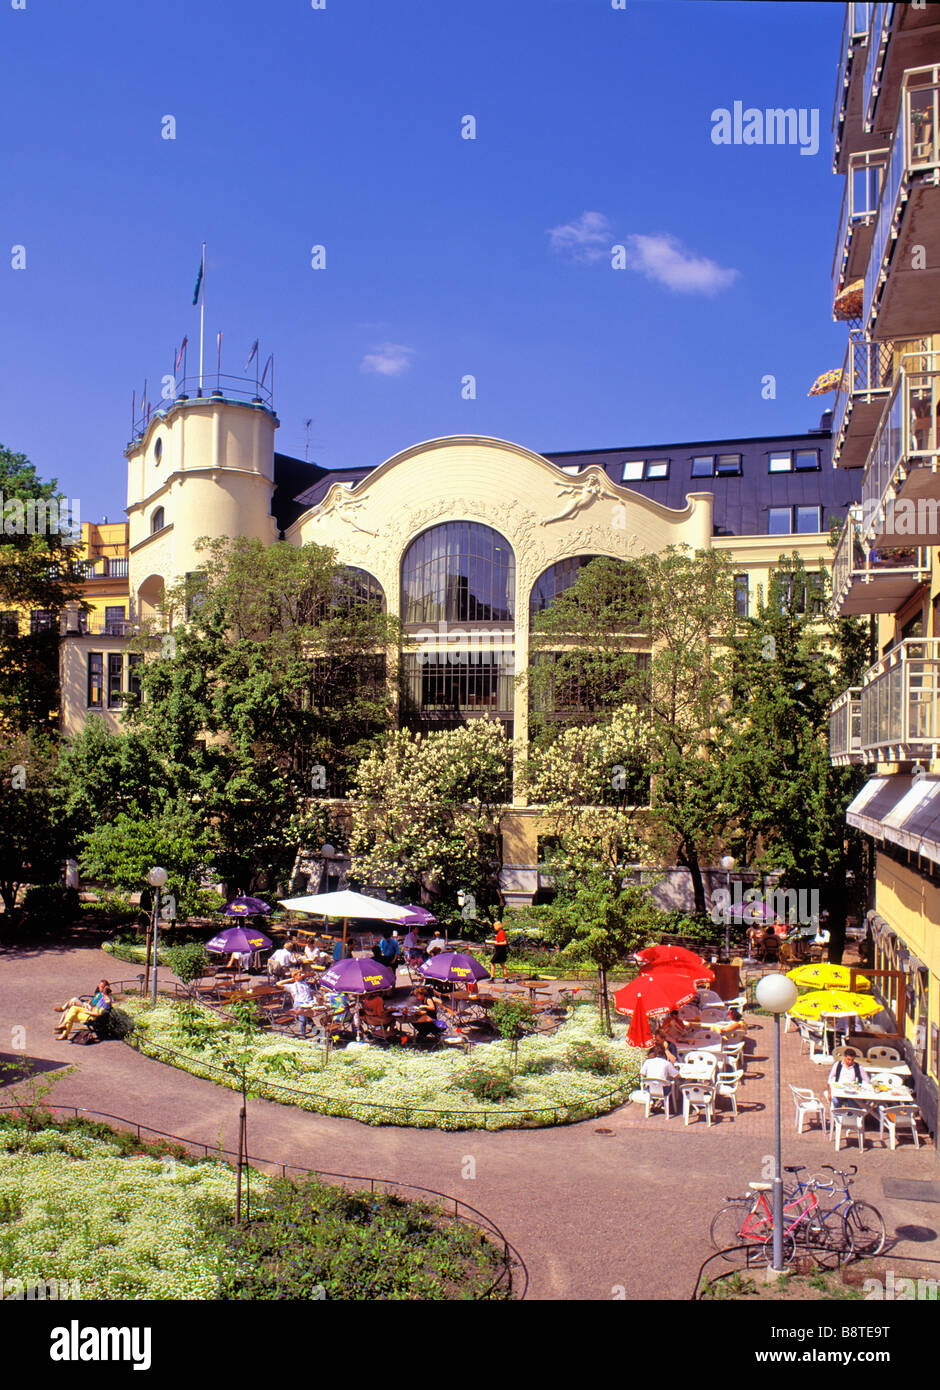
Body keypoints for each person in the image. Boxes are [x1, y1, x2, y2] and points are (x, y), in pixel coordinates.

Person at [281, 971, 317, 1038]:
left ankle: (314, 1029)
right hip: (299, 1003)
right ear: (295, 977)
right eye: (299, 975)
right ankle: (302, 1035)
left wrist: (314, 998)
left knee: (311, 1016)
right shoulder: (292, 986)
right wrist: (290, 979)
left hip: (308, 1003)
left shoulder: (304, 984)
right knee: (302, 1020)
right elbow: (278, 984)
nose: (302, 975)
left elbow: (310, 992)